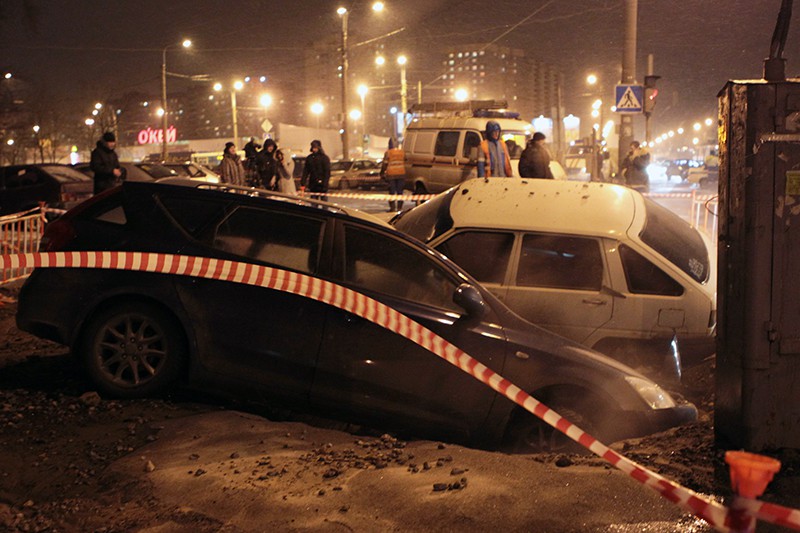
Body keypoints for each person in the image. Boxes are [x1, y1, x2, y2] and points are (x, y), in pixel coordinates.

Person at [380, 138, 406, 211]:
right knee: (400, 192)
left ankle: (392, 208)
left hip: (391, 175)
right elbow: (405, 160)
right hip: (401, 174)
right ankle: (400, 208)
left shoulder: (388, 153)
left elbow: (385, 164)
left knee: (392, 192)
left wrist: (382, 173)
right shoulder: (402, 152)